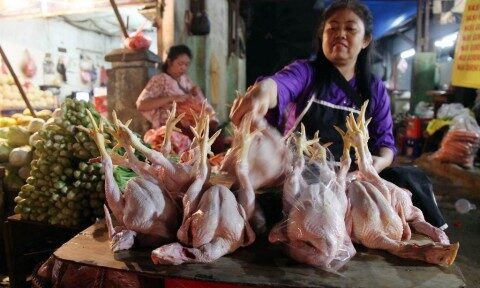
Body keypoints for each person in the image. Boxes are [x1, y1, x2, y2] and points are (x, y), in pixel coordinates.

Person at [230, 0, 447, 229]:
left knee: (409, 180)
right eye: (332, 28)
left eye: (350, 29)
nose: (340, 34)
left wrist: (375, 164)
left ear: (365, 40)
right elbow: (281, 84)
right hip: (297, 176)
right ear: (322, 36)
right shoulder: (306, 72)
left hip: (347, 180)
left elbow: (386, 144)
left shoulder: (373, 88)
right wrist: (263, 91)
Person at [136, 45, 221, 153]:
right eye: (180, 64)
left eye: (186, 65)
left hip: (193, 123)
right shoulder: (159, 80)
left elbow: (200, 101)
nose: (183, 68)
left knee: (217, 141)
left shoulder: (185, 80)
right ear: (170, 62)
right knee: (194, 147)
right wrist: (172, 98)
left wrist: (194, 94)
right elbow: (141, 104)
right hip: (174, 125)